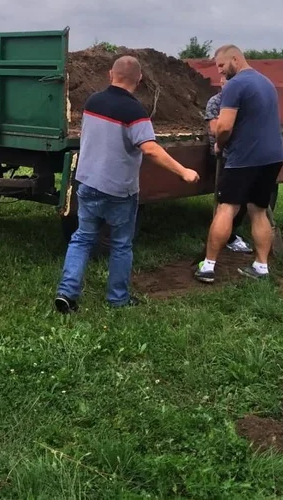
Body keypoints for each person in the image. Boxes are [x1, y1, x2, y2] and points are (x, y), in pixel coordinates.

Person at [55, 55, 200, 313]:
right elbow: (151, 149)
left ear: (111, 73)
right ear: (140, 79)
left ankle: (67, 293)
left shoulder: (92, 102)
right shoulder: (135, 112)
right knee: (121, 244)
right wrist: (183, 171)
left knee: (81, 239)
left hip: (87, 183)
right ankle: (117, 299)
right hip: (119, 190)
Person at [195, 45, 283, 282]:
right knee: (258, 210)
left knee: (227, 208)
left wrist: (220, 145)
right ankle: (261, 266)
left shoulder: (236, 84)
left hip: (245, 157)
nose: (221, 73)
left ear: (235, 59)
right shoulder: (266, 82)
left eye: (222, 66)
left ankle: (208, 266)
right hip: (273, 157)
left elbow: (224, 126)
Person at [202, 74, 252, 255]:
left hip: (245, 155)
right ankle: (223, 238)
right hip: (224, 155)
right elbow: (217, 130)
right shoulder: (215, 102)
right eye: (225, 82)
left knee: (243, 200)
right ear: (221, 84)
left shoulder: (244, 101)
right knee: (227, 201)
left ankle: (231, 233)